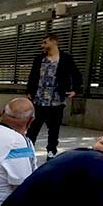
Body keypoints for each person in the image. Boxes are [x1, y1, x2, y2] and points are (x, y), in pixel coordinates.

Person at [25, 33, 82, 161]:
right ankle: (27, 154)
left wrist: (75, 90)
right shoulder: (39, 59)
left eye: (45, 42)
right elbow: (32, 76)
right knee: (32, 129)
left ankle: (51, 154)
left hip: (57, 101)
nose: (42, 45)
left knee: (54, 131)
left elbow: (77, 74)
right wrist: (29, 91)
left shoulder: (66, 58)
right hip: (39, 101)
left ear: (54, 42)